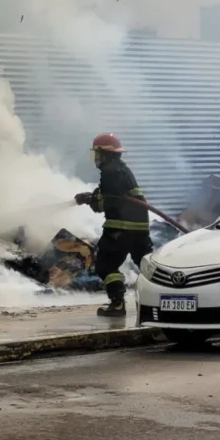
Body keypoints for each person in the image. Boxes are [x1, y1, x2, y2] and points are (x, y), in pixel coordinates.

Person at [75, 133, 153, 317]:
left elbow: (110, 202)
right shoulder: (122, 169)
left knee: (105, 265)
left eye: (98, 154)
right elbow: (114, 195)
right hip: (139, 228)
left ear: (106, 154)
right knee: (147, 267)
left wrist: (91, 200)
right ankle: (161, 299)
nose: (96, 158)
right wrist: (91, 197)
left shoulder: (110, 172)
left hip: (121, 228)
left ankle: (117, 304)